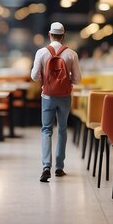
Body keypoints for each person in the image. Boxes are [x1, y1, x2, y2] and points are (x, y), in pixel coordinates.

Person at [31, 22, 82, 182]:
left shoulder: (41, 52)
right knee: (62, 129)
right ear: (63, 36)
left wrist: (46, 78)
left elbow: (34, 76)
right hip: (65, 97)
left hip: (47, 96)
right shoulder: (71, 53)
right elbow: (78, 79)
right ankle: (59, 167)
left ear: (49, 34)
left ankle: (46, 166)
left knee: (46, 130)